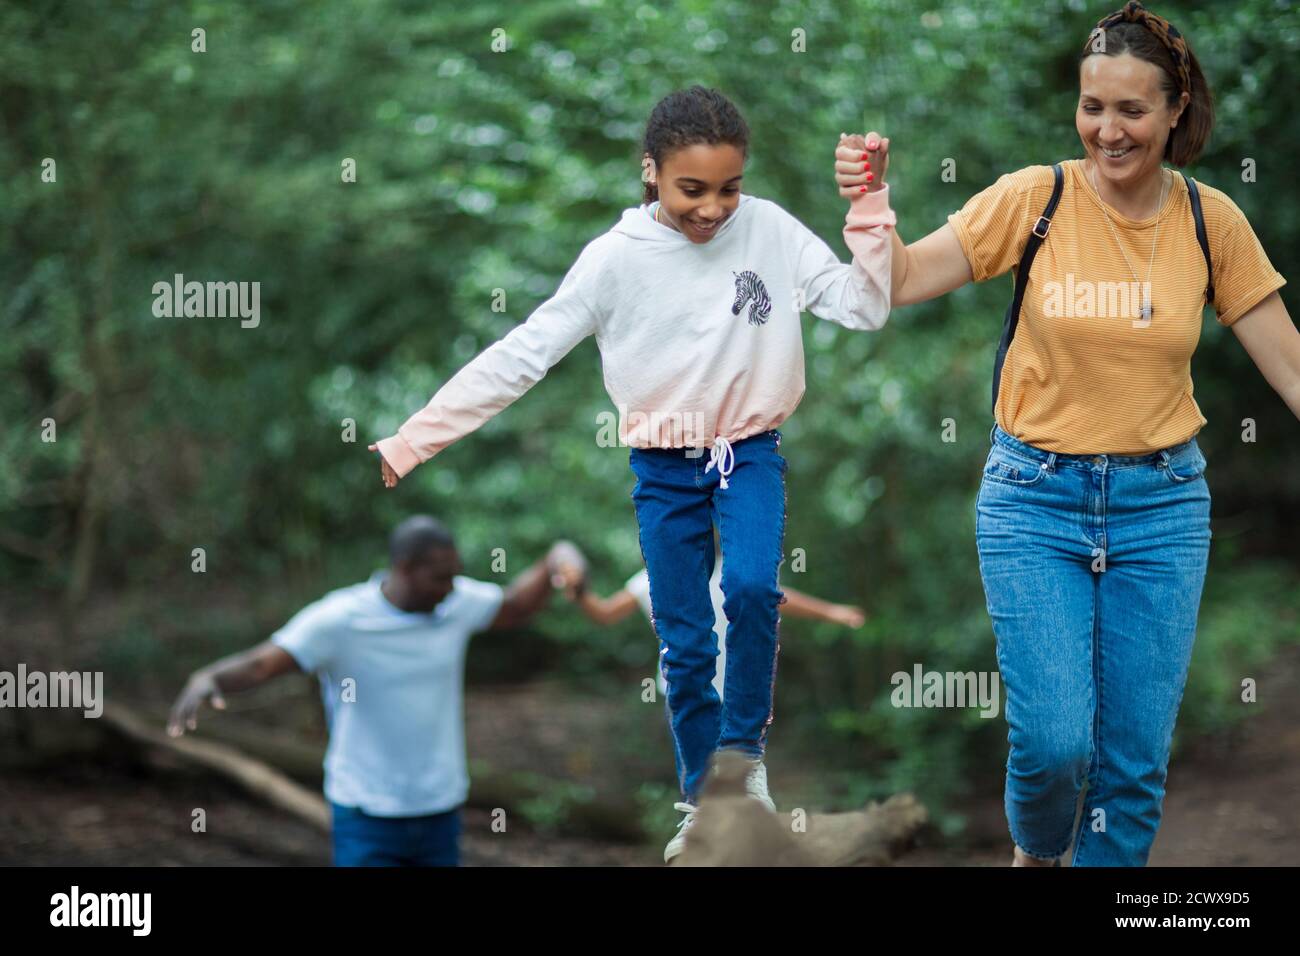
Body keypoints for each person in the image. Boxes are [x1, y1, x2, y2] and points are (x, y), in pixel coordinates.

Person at [368, 85, 896, 862]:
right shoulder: (615, 261)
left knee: (750, 589)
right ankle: (702, 800)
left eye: (729, 187)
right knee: (684, 639)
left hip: (747, 451)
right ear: (651, 172)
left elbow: (864, 306)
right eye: (692, 189)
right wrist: (415, 438)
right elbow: (524, 353)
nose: (714, 208)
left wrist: (870, 204)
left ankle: (743, 766)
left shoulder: (771, 230)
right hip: (661, 466)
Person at [834, 2, 1298, 866]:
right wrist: (870, 205)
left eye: (1131, 110)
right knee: (1054, 747)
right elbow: (898, 281)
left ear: (1174, 109)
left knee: (1130, 769)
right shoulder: (1034, 198)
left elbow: (1291, 365)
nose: (1108, 131)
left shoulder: (1210, 221)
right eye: (1093, 107)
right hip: (1033, 499)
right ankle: (1038, 853)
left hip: (1161, 506)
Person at [167, 515, 585, 866]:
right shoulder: (341, 619)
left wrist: (554, 559)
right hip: (366, 813)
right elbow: (265, 662)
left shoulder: (455, 605)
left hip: (439, 807)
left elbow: (515, 606)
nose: (451, 586)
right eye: (440, 577)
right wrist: (209, 678)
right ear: (403, 568)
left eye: (454, 575)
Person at [558, 528, 866, 703]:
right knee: (697, 767)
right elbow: (606, 613)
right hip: (680, 687)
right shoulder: (653, 579)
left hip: (733, 688)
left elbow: (779, 598)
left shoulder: (730, 574)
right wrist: (580, 590)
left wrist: (832, 612)